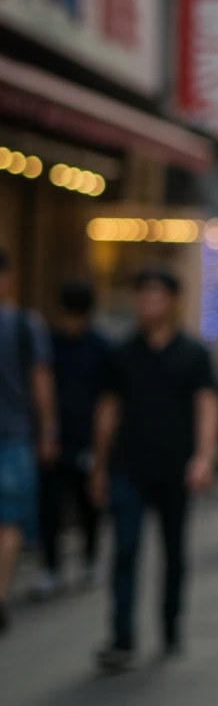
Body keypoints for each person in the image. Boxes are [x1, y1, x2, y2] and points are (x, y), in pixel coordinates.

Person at [90, 268, 218, 671]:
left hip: (175, 468)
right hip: (128, 465)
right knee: (125, 549)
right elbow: (108, 411)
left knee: (173, 550)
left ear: (173, 301)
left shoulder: (193, 354)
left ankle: (170, 624)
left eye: (155, 297)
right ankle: (122, 636)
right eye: (141, 296)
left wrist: (203, 457)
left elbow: (207, 406)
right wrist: (98, 466)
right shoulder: (122, 352)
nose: (147, 305)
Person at [32, 281, 112, 599]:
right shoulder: (49, 343)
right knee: (49, 505)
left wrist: (102, 446)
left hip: (88, 437)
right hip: (53, 438)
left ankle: (91, 558)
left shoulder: (101, 347)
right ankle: (50, 567)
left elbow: (109, 399)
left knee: (88, 503)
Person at [0, 248, 56, 635]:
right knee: (9, 522)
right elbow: (40, 381)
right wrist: (49, 429)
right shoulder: (24, 323)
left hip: (14, 434)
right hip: (13, 435)